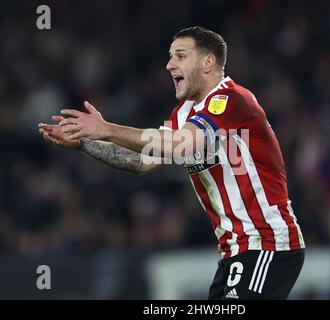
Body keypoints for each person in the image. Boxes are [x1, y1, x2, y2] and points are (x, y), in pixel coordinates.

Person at [38, 26, 305, 300]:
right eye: (169, 57)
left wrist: (106, 129)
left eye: (179, 55)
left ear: (208, 62)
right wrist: (83, 143)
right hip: (235, 251)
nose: (169, 65)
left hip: (268, 243)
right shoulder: (184, 113)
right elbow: (141, 161)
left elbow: (180, 144)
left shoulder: (231, 100)